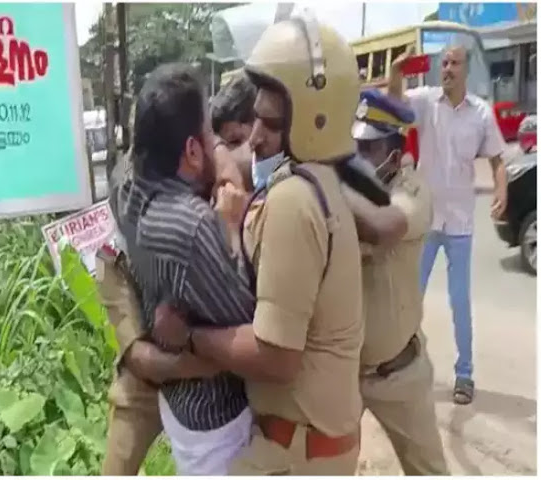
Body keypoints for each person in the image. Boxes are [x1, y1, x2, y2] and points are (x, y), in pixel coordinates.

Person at [152, 14, 366, 475]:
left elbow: (276, 356)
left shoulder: (293, 200)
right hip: (312, 445)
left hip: (295, 454)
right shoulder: (320, 182)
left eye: (269, 124)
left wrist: (189, 335)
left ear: (314, 120)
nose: (254, 137)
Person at [110, 63, 256, 476]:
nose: (217, 145)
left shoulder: (124, 186)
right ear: (192, 151)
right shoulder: (191, 226)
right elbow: (250, 324)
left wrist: (219, 154)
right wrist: (231, 228)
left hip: (179, 404)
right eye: (210, 135)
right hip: (218, 421)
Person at [388, 46, 508, 405]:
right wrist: (396, 73)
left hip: (460, 223)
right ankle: (402, 362)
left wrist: (501, 189)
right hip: (426, 220)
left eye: (455, 63)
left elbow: (498, 160)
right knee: (410, 297)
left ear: (466, 70)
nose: (448, 69)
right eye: (444, 63)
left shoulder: (481, 113)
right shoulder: (427, 102)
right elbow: (394, 103)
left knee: (459, 302)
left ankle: (464, 374)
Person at [349, 89, 449, 475]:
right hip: (345, 373)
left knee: (428, 471)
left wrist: (331, 186)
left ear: (394, 156)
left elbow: (383, 227)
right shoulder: (351, 189)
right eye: (355, 147)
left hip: (399, 373)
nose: (358, 158)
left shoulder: (412, 191)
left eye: (368, 149)